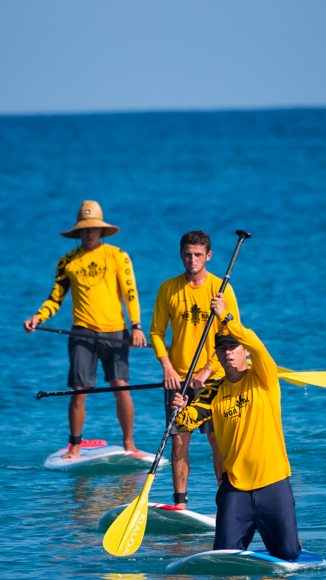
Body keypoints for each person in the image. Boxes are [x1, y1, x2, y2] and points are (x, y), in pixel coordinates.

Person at [172, 292, 301, 561]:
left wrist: (225, 317)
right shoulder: (212, 393)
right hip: (236, 491)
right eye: (222, 348)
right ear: (217, 356)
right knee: (223, 561)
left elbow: (255, 341)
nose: (228, 352)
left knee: (289, 556)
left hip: (273, 485)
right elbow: (183, 424)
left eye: (233, 347)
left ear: (245, 352)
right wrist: (180, 408)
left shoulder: (264, 378)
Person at [24, 200, 147, 458]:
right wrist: (38, 316)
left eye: (94, 228)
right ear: (78, 231)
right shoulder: (67, 262)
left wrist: (136, 326)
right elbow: (55, 297)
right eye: (85, 228)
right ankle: (76, 445)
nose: (90, 233)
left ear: (101, 230)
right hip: (82, 332)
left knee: (120, 385)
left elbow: (131, 293)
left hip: (115, 331)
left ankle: (129, 444)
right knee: (79, 391)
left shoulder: (118, 256)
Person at [150, 231, 240, 509]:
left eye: (198, 254)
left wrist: (210, 367)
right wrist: (166, 367)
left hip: (213, 381)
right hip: (178, 379)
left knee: (217, 441)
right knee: (178, 442)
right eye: (188, 254)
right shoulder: (169, 288)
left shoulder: (221, 289)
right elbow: (156, 332)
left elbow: (233, 334)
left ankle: (227, 502)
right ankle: (180, 504)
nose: (192, 259)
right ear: (181, 255)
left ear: (208, 256)